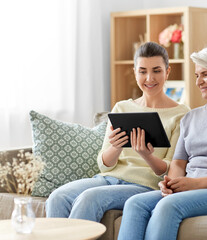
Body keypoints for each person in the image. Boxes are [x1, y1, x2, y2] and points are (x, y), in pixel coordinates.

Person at [117, 43, 207, 240]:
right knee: (135, 203)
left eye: (205, 74)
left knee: (169, 206)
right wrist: (171, 184)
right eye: (197, 76)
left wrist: (194, 184)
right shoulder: (190, 117)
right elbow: (178, 163)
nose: (199, 82)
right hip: (190, 188)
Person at [46, 42, 190, 222]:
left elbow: (171, 170)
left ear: (167, 72)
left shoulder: (181, 114)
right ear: (135, 72)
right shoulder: (122, 107)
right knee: (57, 197)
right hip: (108, 179)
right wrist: (116, 147)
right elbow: (104, 164)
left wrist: (146, 156)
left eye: (156, 70)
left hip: (144, 186)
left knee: (89, 198)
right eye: (143, 71)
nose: (149, 78)